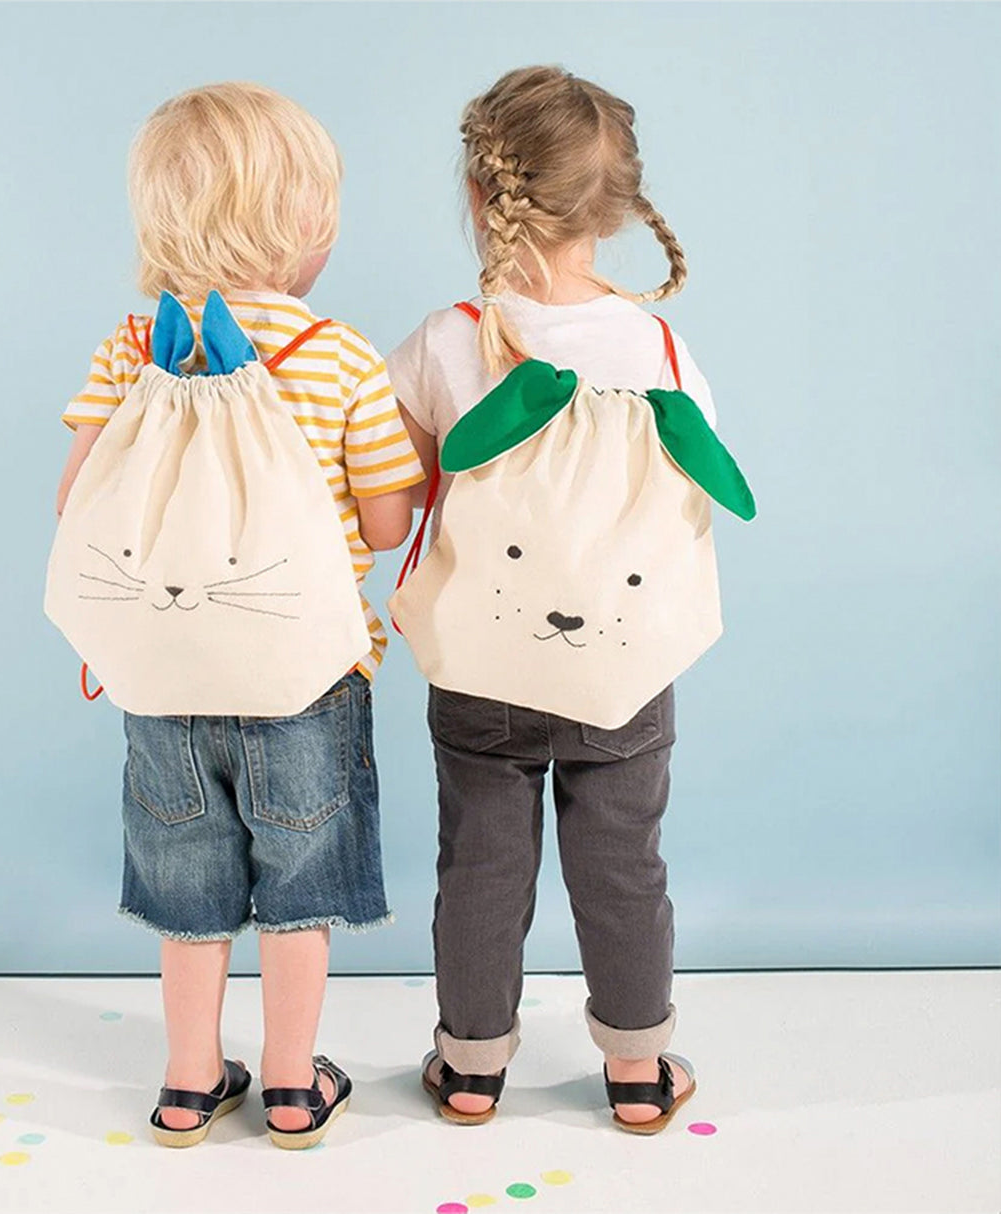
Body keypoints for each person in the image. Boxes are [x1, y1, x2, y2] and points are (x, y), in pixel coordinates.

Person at [55, 82, 423, 1149]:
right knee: (294, 893)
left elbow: (75, 502)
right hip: (303, 675)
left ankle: (183, 1081)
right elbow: (388, 523)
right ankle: (293, 1084)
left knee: (190, 886)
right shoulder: (342, 359)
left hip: (162, 679)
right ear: (309, 226)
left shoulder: (132, 347)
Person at [388, 65, 715, 1135]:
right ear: (617, 208)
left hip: (483, 660)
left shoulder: (448, 338)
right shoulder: (660, 348)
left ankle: (471, 1065)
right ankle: (634, 1069)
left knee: (480, 861)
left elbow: (395, 485)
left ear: (483, 198)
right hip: (622, 667)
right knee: (622, 863)